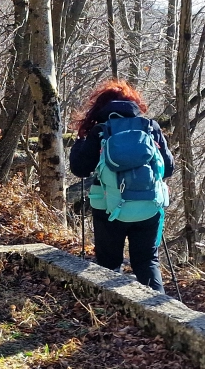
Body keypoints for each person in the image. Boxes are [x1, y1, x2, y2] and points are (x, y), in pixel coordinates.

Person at [69, 79, 174, 293]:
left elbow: (80, 169)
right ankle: (160, 308)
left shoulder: (100, 130)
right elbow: (169, 168)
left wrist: (79, 142)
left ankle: (110, 313)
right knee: (147, 262)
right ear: (134, 103)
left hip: (109, 208)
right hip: (148, 207)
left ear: (101, 106)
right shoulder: (150, 127)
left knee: (109, 263)